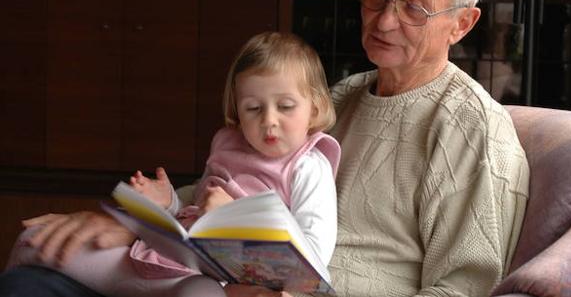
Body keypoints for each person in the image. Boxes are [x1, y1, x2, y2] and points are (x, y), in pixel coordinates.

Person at [0, 0, 530, 297]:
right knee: (35, 274)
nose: (385, 20)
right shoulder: (339, 97)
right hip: (233, 275)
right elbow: (232, 184)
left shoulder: (472, 130)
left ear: (462, 24)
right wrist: (136, 221)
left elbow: (465, 290)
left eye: (414, 7)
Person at [5, 32, 340, 297]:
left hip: (218, 283)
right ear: (237, 109)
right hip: (162, 262)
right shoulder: (228, 144)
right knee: (33, 239)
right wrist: (168, 202)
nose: (269, 121)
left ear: (314, 108)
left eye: (285, 106)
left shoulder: (309, 166)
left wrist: (238, 215)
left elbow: (312, 260)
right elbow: (193, 214)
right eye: (253, 108)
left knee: (199, 294)